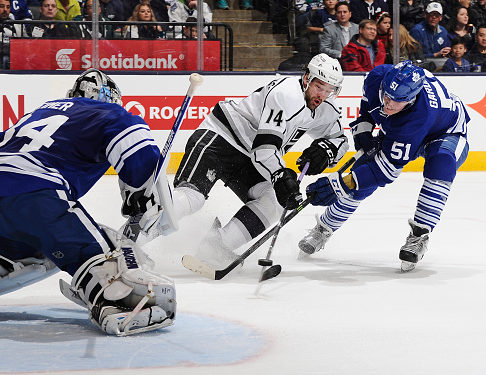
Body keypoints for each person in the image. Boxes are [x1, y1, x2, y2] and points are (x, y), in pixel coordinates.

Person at [0, 69, 178, 336]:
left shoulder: (41, 111)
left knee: (30, 252)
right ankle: (118, 302)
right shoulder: (110, 112)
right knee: (100, 249)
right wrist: (142, 197)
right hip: (33, 193)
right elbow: (136, 144)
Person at [165, 54, 348, 268]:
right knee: (192, 198)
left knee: (275, 202)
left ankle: (214, 247)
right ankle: (130, 240)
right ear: (307, 78)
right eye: (319, 86)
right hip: (222, 138)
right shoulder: (285, 93)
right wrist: (281, 176)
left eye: (330, 90)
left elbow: (340, 140)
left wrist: (324, 152)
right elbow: (264, 149)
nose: (323, 95)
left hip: (251, 156)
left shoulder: (326, 108)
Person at [298, 61, 470, 272]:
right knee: (361, 175)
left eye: (397, 101)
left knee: (440, 164)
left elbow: (385, 172)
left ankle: (419, 236)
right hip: (406, 130)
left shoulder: (417, 117)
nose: (387, 103)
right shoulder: (377, 77)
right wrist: (363, 129)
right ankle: (324, 228)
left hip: (445, 132)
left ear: (411, 99)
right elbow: (368, 104)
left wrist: (337, 184)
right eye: (386, 95)